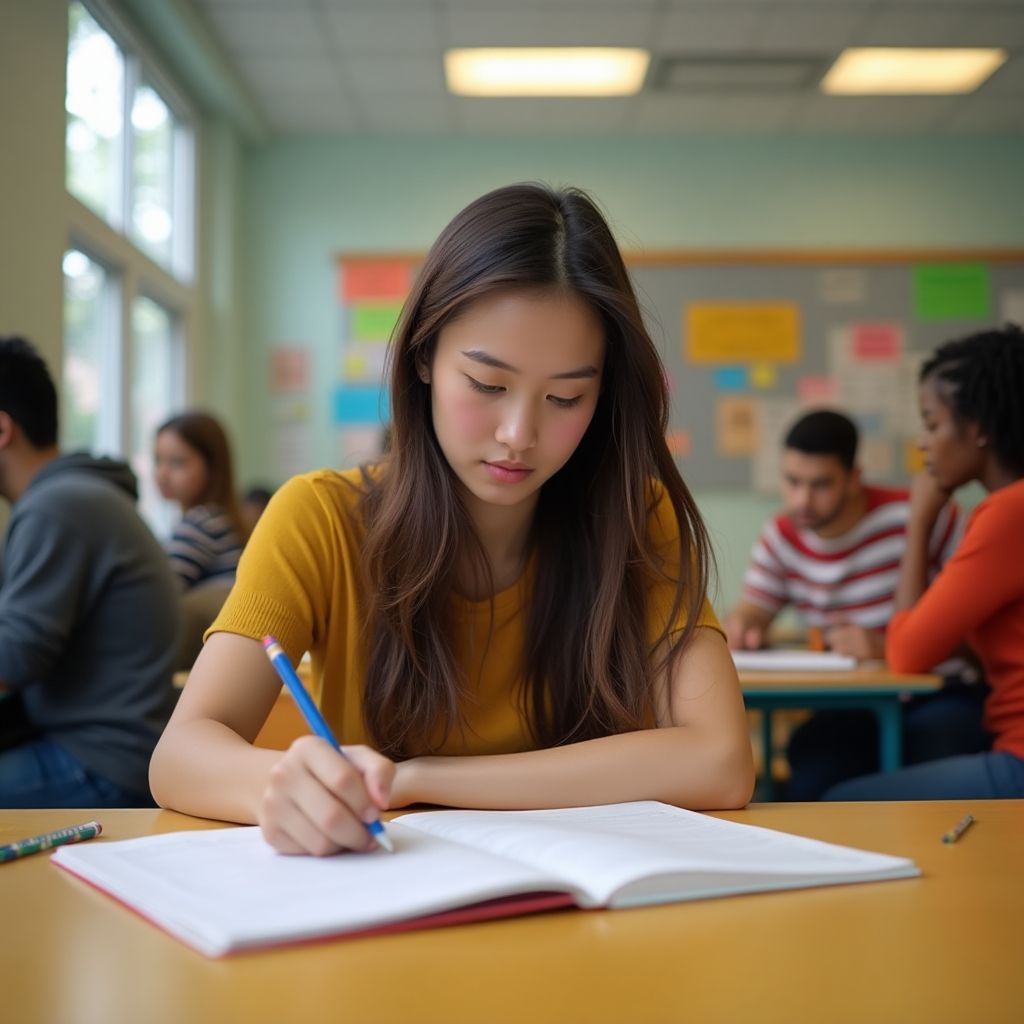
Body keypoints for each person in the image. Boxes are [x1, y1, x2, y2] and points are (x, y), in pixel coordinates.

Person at [150, 183, 755, 853]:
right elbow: (180, 755)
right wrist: (280, 785)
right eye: (488, 386)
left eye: (566, 396)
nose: (519, 434)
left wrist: (416, 780)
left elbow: (720, 762)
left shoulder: (636, 517)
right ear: (423, 359)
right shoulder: (318, 518)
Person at [725, 409, 986, 800]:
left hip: (940, 694)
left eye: (821, 485)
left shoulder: (924, 516)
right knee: (810, 765)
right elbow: (753, 609)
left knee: (935, 749)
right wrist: (746, 622)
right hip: (853, 702)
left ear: (854, 478)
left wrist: (888, 648)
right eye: (792, 482)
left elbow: (982, 629)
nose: (802, 500)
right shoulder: (782, 535)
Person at [827, 325, 1024, 800]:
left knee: (839, 804)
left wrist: (918, 523)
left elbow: (906, 653)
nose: (922, 444)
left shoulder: (1007, 514)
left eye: (933, 424)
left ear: (976, 429)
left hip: (1017, 760)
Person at [0, 337, 179, 807]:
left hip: (101, 761)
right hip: (118, 747)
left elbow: (15, 657)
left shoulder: (55, 507)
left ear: (3, 429)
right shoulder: (79, 496)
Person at [154, 412, 247, 590]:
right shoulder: (222, 519)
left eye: (177, 462)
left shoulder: (202, 523)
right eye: (158, 460)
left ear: (211, 467)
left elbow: (159, 596)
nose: (162, 474)